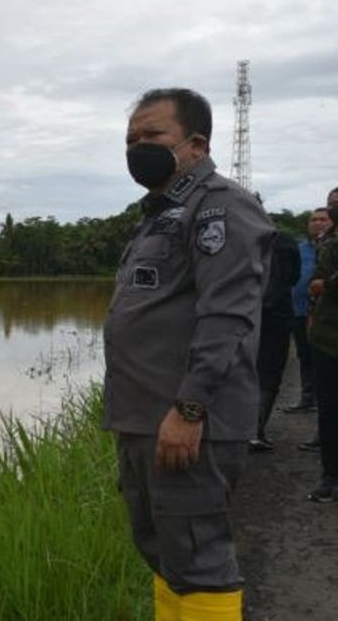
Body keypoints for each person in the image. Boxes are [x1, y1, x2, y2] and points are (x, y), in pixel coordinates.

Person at [103, 88, 273, 620]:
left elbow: (227, 316)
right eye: (131, 138)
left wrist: (190, 408)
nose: (137, 147)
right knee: (167, 554)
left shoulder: (221, 207)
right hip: (147, 420)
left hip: (186, 421)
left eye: (152, 136)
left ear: (196, 144)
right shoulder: (160, 214)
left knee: (198, 557)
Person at [249, 230, 301, 451]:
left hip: (245, 311)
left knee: (241, 369)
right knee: (269, 372)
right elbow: (294, 277)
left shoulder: (237, 236)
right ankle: (256, 431)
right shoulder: (286, 241)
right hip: (278, 312)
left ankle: (239, 428)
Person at [282, 207, 332, 415]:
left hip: (324, 317)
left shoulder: (331, 249)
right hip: (299, 312)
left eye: (323, 219)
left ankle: (324, 405)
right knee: (304, 356)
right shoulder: (299, 248)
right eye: (313, 219)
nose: (317, 223)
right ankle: (307, 397)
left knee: (325, 360)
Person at [306, 203, 338, 501]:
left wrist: (326, 284)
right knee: (328, 410)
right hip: (327, 337)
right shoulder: (327, 245)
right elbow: (313, 284)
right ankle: (330, 475)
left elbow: (321, 283)